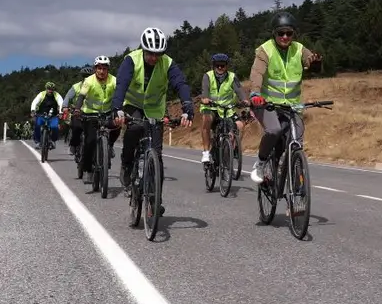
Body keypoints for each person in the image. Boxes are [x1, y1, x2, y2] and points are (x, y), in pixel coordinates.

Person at [112, 27, 194, 215]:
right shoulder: (131, 60)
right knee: (134, 129)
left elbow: (180, 83)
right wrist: (117, 109)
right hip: (132, 104)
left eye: (158, 54)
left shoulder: (168, 63)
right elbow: (121, 84)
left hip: (154, 109)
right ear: (143, 49)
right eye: (150, 53)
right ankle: (126, 164)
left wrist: (188, 106)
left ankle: (155, 200)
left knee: (156, 155)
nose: (154, 58)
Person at [247, 11, 322, 184]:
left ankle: (295, 189)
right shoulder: (265, 50)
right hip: (267, 104)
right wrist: (255, 93)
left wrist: (315, 63)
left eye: (289, 33)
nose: (285, 37)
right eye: (281, 33)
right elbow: (257, 73)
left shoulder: (299, 49)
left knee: (296, 141)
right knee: (274, 130)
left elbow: (309, 60)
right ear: (274, 33)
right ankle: (260, 163)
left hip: (292, 106)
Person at [72, 56, 121, 184]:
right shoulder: (89, 81)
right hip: (90, 114)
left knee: (117, 124)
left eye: (104, 68)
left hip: (108, 112)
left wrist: (121, 109)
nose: (102, 71)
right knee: (90, 141)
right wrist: (77, 109)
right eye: (99, 68)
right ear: (95, 69)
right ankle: (88, 170)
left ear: (108, 70)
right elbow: (81, 96)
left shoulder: (114, 80)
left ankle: (109, 145)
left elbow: (121, 94)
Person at [198, 53, 250, 163]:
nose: (220, 68)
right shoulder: (208, 76)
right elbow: (205, 90)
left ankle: (233, 149)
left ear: (227, 66)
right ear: (214, 66)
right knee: (206, 119)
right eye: (218, 65)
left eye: (223, 65)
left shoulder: (232, 76)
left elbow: (239, 90)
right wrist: (205, 99)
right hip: (211, 108)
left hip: (228, 109)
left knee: (240, 125)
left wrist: (244, 100)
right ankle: (206, 152)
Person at [62, 66, 94, 156]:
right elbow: (68, 97)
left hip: (92, 112)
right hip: (78, 111)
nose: (87, 78)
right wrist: (65, 106)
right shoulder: (76, 87)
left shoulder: (97, 85)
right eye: (85, 76)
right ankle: (73, 145)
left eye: (89, 76)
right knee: (76, 128)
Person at [30, 81, 64, 150]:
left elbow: (61, 103)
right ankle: (38, 142)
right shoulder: (41, 94)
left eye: (52, 89)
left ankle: (53, 141)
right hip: (41, 114)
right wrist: (33, 110)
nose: (50, 90)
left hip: (53, 116)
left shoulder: (57, 95)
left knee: (55, 127)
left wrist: (61, 112)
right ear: (46, 88)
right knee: (37, 125)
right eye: (49, 89)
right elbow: (35, 102)